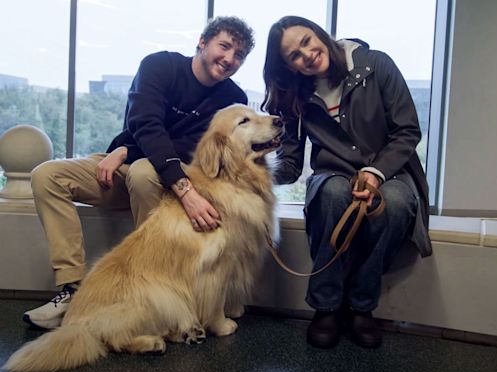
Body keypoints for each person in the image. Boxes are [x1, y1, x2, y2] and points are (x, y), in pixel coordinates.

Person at [24, 16, 255, 330]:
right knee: (46, 176)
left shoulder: (233, 101)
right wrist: (125, 152)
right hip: (122, 170)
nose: (230, 59)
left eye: (239, 55)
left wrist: (129, 150)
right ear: (202, 42)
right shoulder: (159, 66)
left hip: (164, 181)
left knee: (145, 171)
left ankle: (151, 292)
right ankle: (73, 290)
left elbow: (194, 149)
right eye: (224, 46)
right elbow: (145, 123)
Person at [262, 16, 432, 349]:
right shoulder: (296, 96)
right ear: (289, 67)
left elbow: (407, 130)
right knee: (332, 194)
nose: (307, 54)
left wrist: (375, 173)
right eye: (294, 56)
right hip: (332, 174)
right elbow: (293, 166)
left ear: (320, 35)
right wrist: (253, 167)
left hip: (391, 171)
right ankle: (326, 306)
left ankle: (360, 307)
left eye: (308, 41)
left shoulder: (376, 64)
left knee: (395, 203)